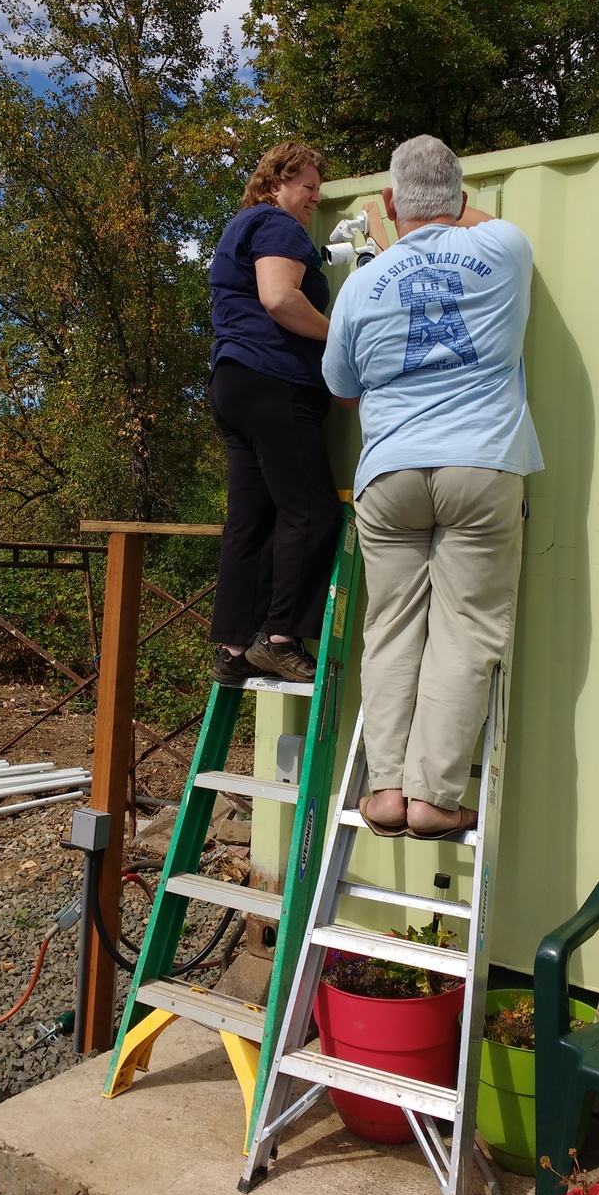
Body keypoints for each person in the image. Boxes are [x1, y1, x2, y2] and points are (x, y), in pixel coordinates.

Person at [322, 134, 543, 838]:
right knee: (464, 632)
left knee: (390, 629)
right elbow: (472, 223)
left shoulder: (362, 283)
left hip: (387, 474)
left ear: (389, 202)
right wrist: (449, 215)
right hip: (481, 464)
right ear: (461, 195)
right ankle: (434, 799)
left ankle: (384, 790)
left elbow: (341, 388)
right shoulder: (504, 247)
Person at [208, 141, 341, 685]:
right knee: (312, 511)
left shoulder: (240, 227)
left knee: (252, 520)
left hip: (233, 381)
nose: (314, 196)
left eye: (317, 187)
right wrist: (344, 337)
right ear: (274, 184)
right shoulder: (279, 224)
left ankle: (234, 649)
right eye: (306, 184)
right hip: (275, 379)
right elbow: (281, 300)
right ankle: (280, 638)